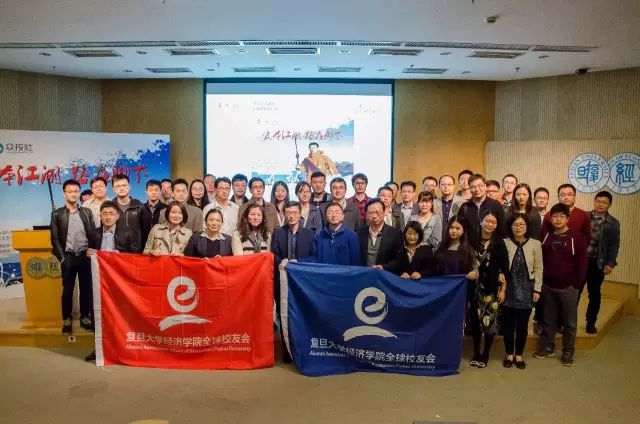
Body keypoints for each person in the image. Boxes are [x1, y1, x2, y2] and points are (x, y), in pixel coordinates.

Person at [84, 200, 138, 362]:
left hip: (120, 281)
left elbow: (136, 256)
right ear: (100, 216)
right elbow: (89, 253)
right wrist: (87, 253)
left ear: (117, 216)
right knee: (98, 312)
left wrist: (120, 256)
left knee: (120, 313)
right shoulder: (94, 233)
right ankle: (100, 347)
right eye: (104, 214)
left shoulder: (128, 232)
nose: (108, 217)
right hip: (99, 281)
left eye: (111, 214)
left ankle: (122, 347)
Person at [534, 203, 587, 366]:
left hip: (568, 287)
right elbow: (541, 260)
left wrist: (575, 284)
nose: (558, 219)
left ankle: (568, 351)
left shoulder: (576, 238)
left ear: (568, 218)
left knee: (569, 322)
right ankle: (548, 346)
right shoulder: (546, 236)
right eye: (555, 216)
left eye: (561, 216)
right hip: (548, 285)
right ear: (551, 218)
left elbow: (582, 264)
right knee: (548, 319)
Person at [50, 179, 95, 334]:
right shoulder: (57, 214)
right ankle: (67, 318)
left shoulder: (87, 212)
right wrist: (62, 257)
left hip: (84, 256)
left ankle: (85, 316)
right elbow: (54, 238)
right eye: (70, 191)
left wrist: (90, 249)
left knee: (86, 288)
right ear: (64, 194)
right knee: (68, 289)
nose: (73, 194)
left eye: (76, 191)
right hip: (68, 257)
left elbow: (93, 234)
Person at [466, 211, 509, 369]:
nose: (490, 224)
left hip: (491, 289)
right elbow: (465, 261)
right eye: (487, 221)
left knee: (490, 323)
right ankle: (476, 352)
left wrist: (503, 289)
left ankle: (486, 353)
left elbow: (505, 268)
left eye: (493, 222)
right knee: (475, 322)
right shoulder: (472, 240)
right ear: (481, 221)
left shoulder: (499, 243)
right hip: (474, 288)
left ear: (496, 225)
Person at [502, 213, 543, 370]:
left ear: (527, 227)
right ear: (510, 227)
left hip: (527, 288)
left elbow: (539, 268)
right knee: (508, 324)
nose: (518, 227)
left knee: (522, 325)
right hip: (509, 288)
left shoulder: (535, 244)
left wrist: (537, 289)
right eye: (515, 225)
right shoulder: (505, 243)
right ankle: (509, 354)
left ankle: (518, 354)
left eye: (521, 224)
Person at [581, 191, 620, 334]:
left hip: (597, 263)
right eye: (598, 201)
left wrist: (610, 263)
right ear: (594, 201)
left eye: (604, 202)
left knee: (594, 293)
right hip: (581, 261)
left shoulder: (613, 223)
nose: (600, 204)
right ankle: (565, 322)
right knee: (574, 292)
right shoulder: (584, 216)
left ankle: (590, 322)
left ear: (609, 205)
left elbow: (614, 245)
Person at [457, 174, 507, 252]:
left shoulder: (495, 205)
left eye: (480, 186)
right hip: (470, 250)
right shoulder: (465, 206)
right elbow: (460, 229)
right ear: (469, 189)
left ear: (485, 186)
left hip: (492, 248)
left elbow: (502, 228)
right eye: (473, 187)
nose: (477, 189)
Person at [356, 199, 404, 271]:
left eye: (377, 212)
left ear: (384, 212)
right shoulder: (359, 233)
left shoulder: (395, 234)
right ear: (366, 215)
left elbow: (399, 259)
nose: (375, 216)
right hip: (363, 273)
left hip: (385, 274)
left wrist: (384, 267)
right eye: (371, 212)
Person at [112, 174, 144, 252]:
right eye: (118, 186)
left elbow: (145, 230)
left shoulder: (139, 206)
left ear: (129, 187)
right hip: (115, 251)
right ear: (113, 189)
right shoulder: (110, 207)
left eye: (124, 185)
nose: (121, 188)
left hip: (136, 251)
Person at [140, 179, 163, 248]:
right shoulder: (140, 208)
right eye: (150, 190)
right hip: (142, 245)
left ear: (161, 192)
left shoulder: (166, 209)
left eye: (156, 190)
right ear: (146, 191)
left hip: (160, 246)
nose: (153, 192)